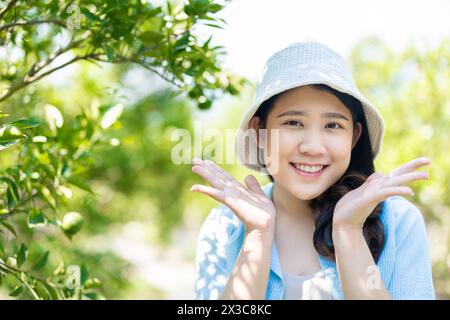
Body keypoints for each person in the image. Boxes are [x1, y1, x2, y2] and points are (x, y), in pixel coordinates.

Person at [191, 41, 435, 300]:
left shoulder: (399, 222)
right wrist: (258, 234)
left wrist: (349, 231)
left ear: (354, 137)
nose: (313, 147)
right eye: (293, 122)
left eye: (333, 126)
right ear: (259, 133)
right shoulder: (224, 227)